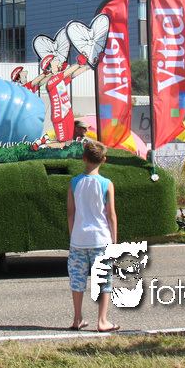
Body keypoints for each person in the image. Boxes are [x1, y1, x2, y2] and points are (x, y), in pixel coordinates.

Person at [67, 139, 119, 333]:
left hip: (79, 238)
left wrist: (73, 235)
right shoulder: (107, 184)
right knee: (104, 280)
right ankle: (102, 320)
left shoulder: (74, 183)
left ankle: (77, 318)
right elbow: (111, 215)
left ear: (83, 158)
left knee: (77, 279)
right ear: (103, 160)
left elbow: (70, 213)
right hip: (100, 238)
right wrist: (114, 242)